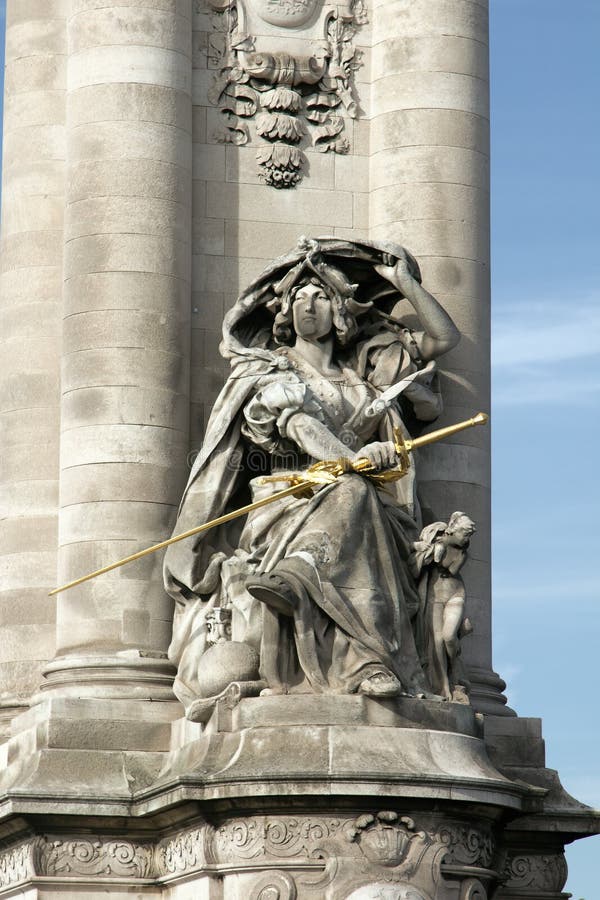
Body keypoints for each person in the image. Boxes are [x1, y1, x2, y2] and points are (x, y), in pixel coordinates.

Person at [164, 237, 460, 713]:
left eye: (320, 296)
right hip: (289, 497)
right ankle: (354, 646)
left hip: (368, 501)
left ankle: (320, 603)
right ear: (284, 312)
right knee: (351, 488)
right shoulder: (271, 373)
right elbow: (294, 424)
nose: (309, 305)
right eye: (298, 297)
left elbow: (444, 341)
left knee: (356, 494)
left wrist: (405, 285)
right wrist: (352, 459)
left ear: (340, 310)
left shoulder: (367, 372)